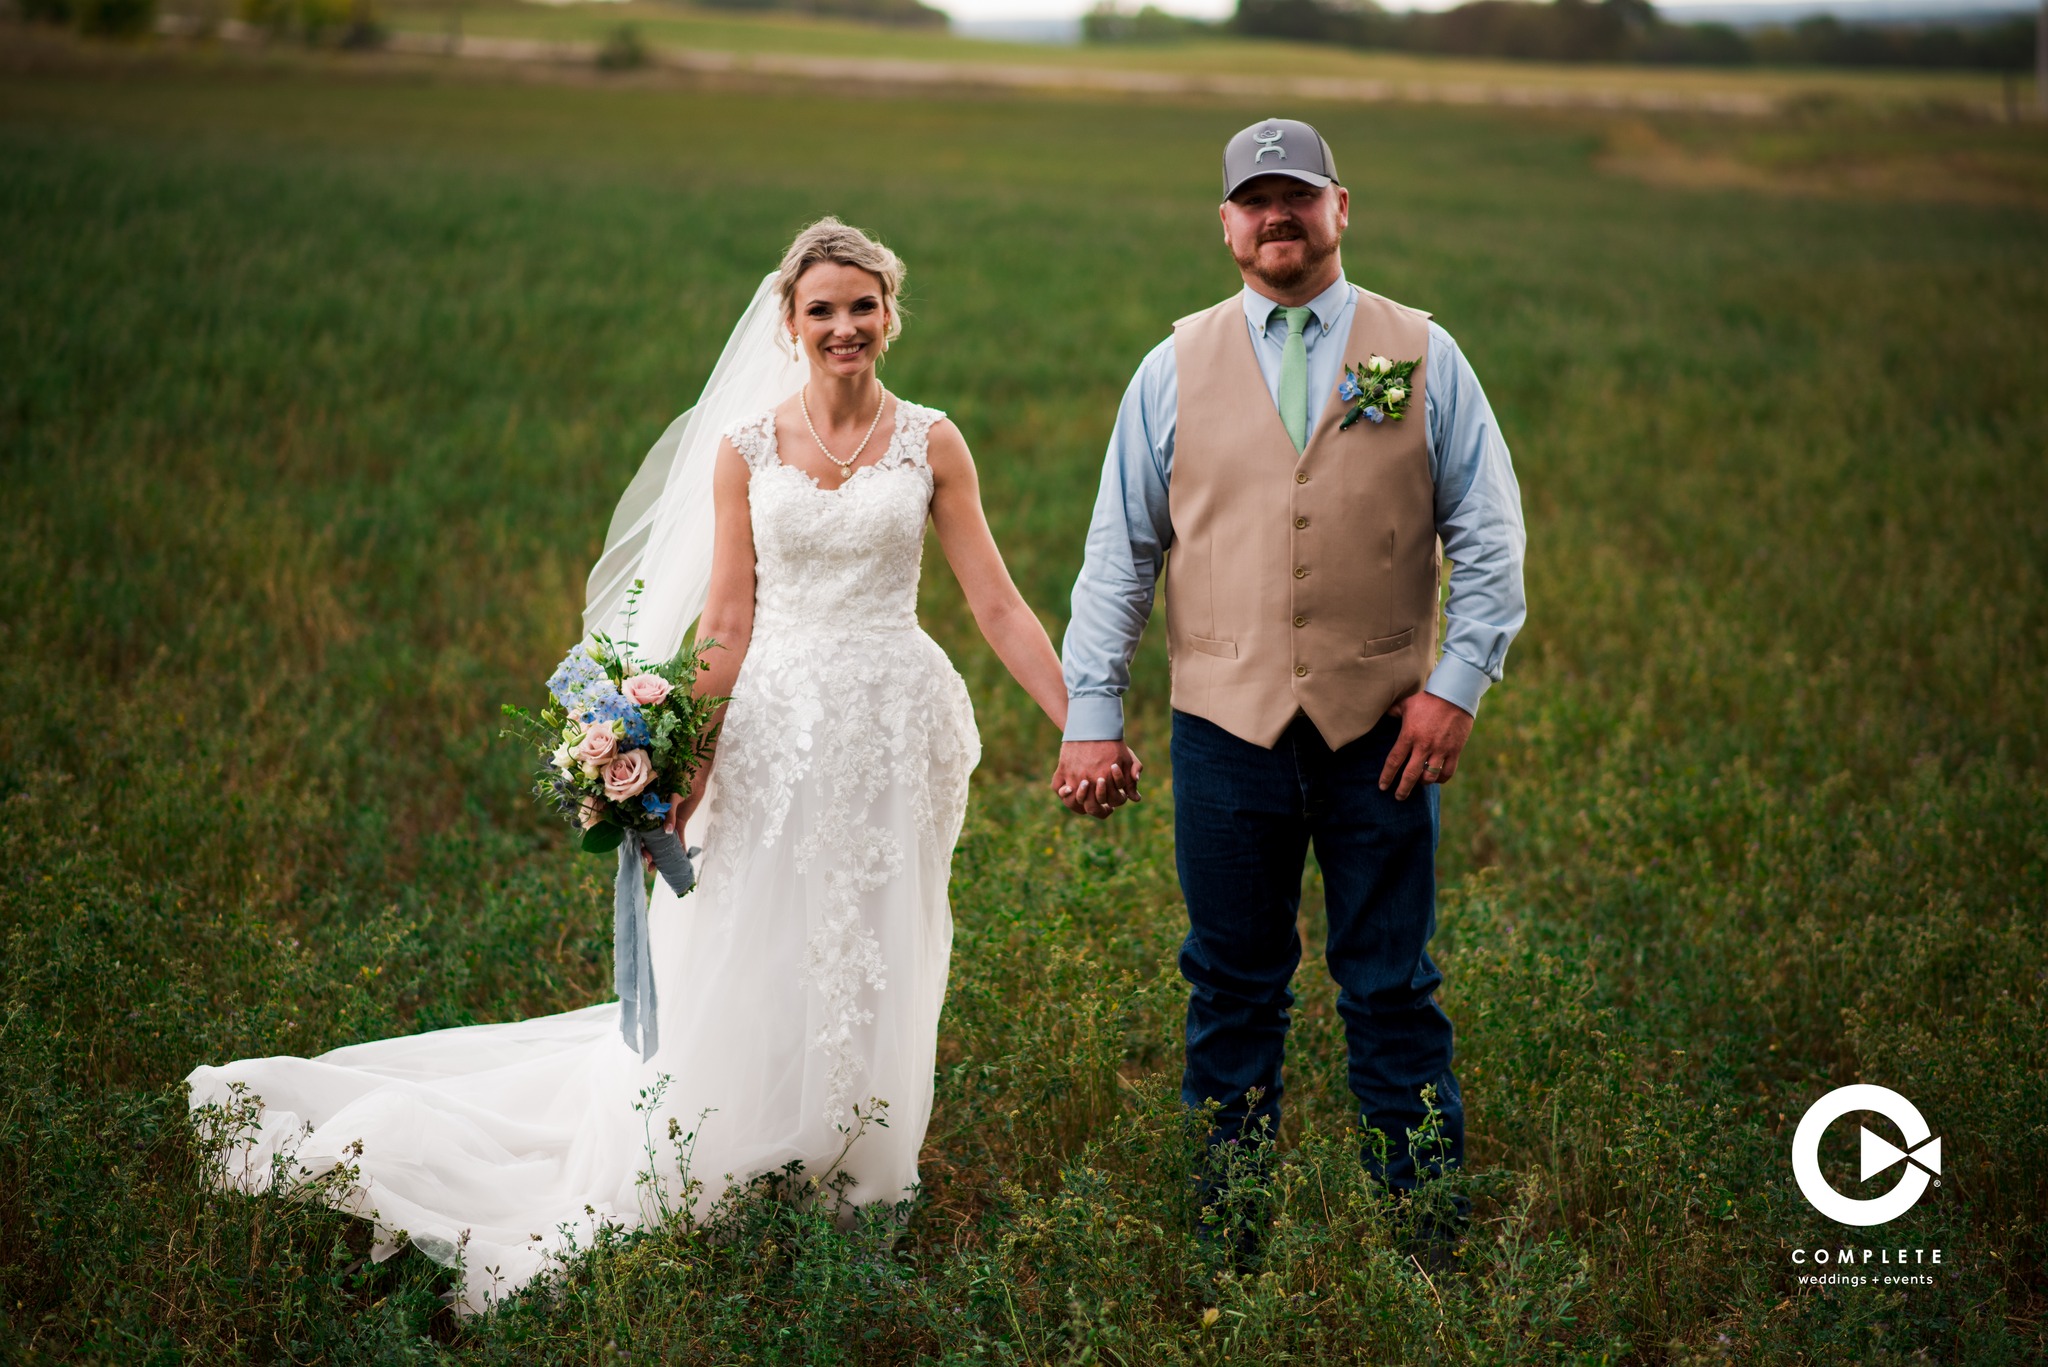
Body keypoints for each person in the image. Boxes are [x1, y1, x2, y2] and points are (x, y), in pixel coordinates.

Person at [187, 218, 1068, 1314]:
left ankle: (854, 1166)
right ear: (790, 325)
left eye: (862, 305)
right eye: (821, 309)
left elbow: (993, 600)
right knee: (751, 931)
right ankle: (734, 1149)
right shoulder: (745, 445)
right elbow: (727, 622)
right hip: (776, 731)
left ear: (890, 313)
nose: (844, 326)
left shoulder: (930, 440)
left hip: (894, 729)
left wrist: (1081, 720)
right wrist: (679, 777)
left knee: (878, 936)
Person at [1053, 118, 1527, 1233]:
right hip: (1224, 730)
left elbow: (1489, 537)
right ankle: (1230, 1229)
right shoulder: (1171, 365)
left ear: (1338, 208)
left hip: (1383, 729)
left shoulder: (1421, 350)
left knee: (1392, 987)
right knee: (1229, 987)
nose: (1278, 215)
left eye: (1297, 196)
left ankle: (1425, 1230)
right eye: (1255, 198)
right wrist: (1088, 715)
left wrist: (1454, 683)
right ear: (1224, 223)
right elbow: (1118, 552)